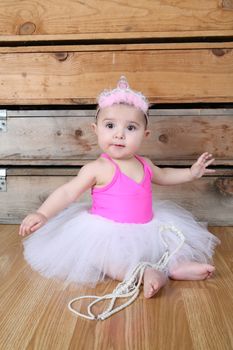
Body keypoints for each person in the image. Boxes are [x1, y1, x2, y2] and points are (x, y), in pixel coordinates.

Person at [19, 76, 220, 299]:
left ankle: (177, 266)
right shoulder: (98, 168)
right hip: (107, 232)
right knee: (106, 258)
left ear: (145, 135)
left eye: (130, 128)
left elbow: (165, 175)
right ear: (95, 129)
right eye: (110, 125)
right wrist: (43, 213)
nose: (119, 134)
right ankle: (144, 273)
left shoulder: (145, 164)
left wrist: (191, 173)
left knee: (172, 240)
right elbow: (68, 192)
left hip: (147, 227)